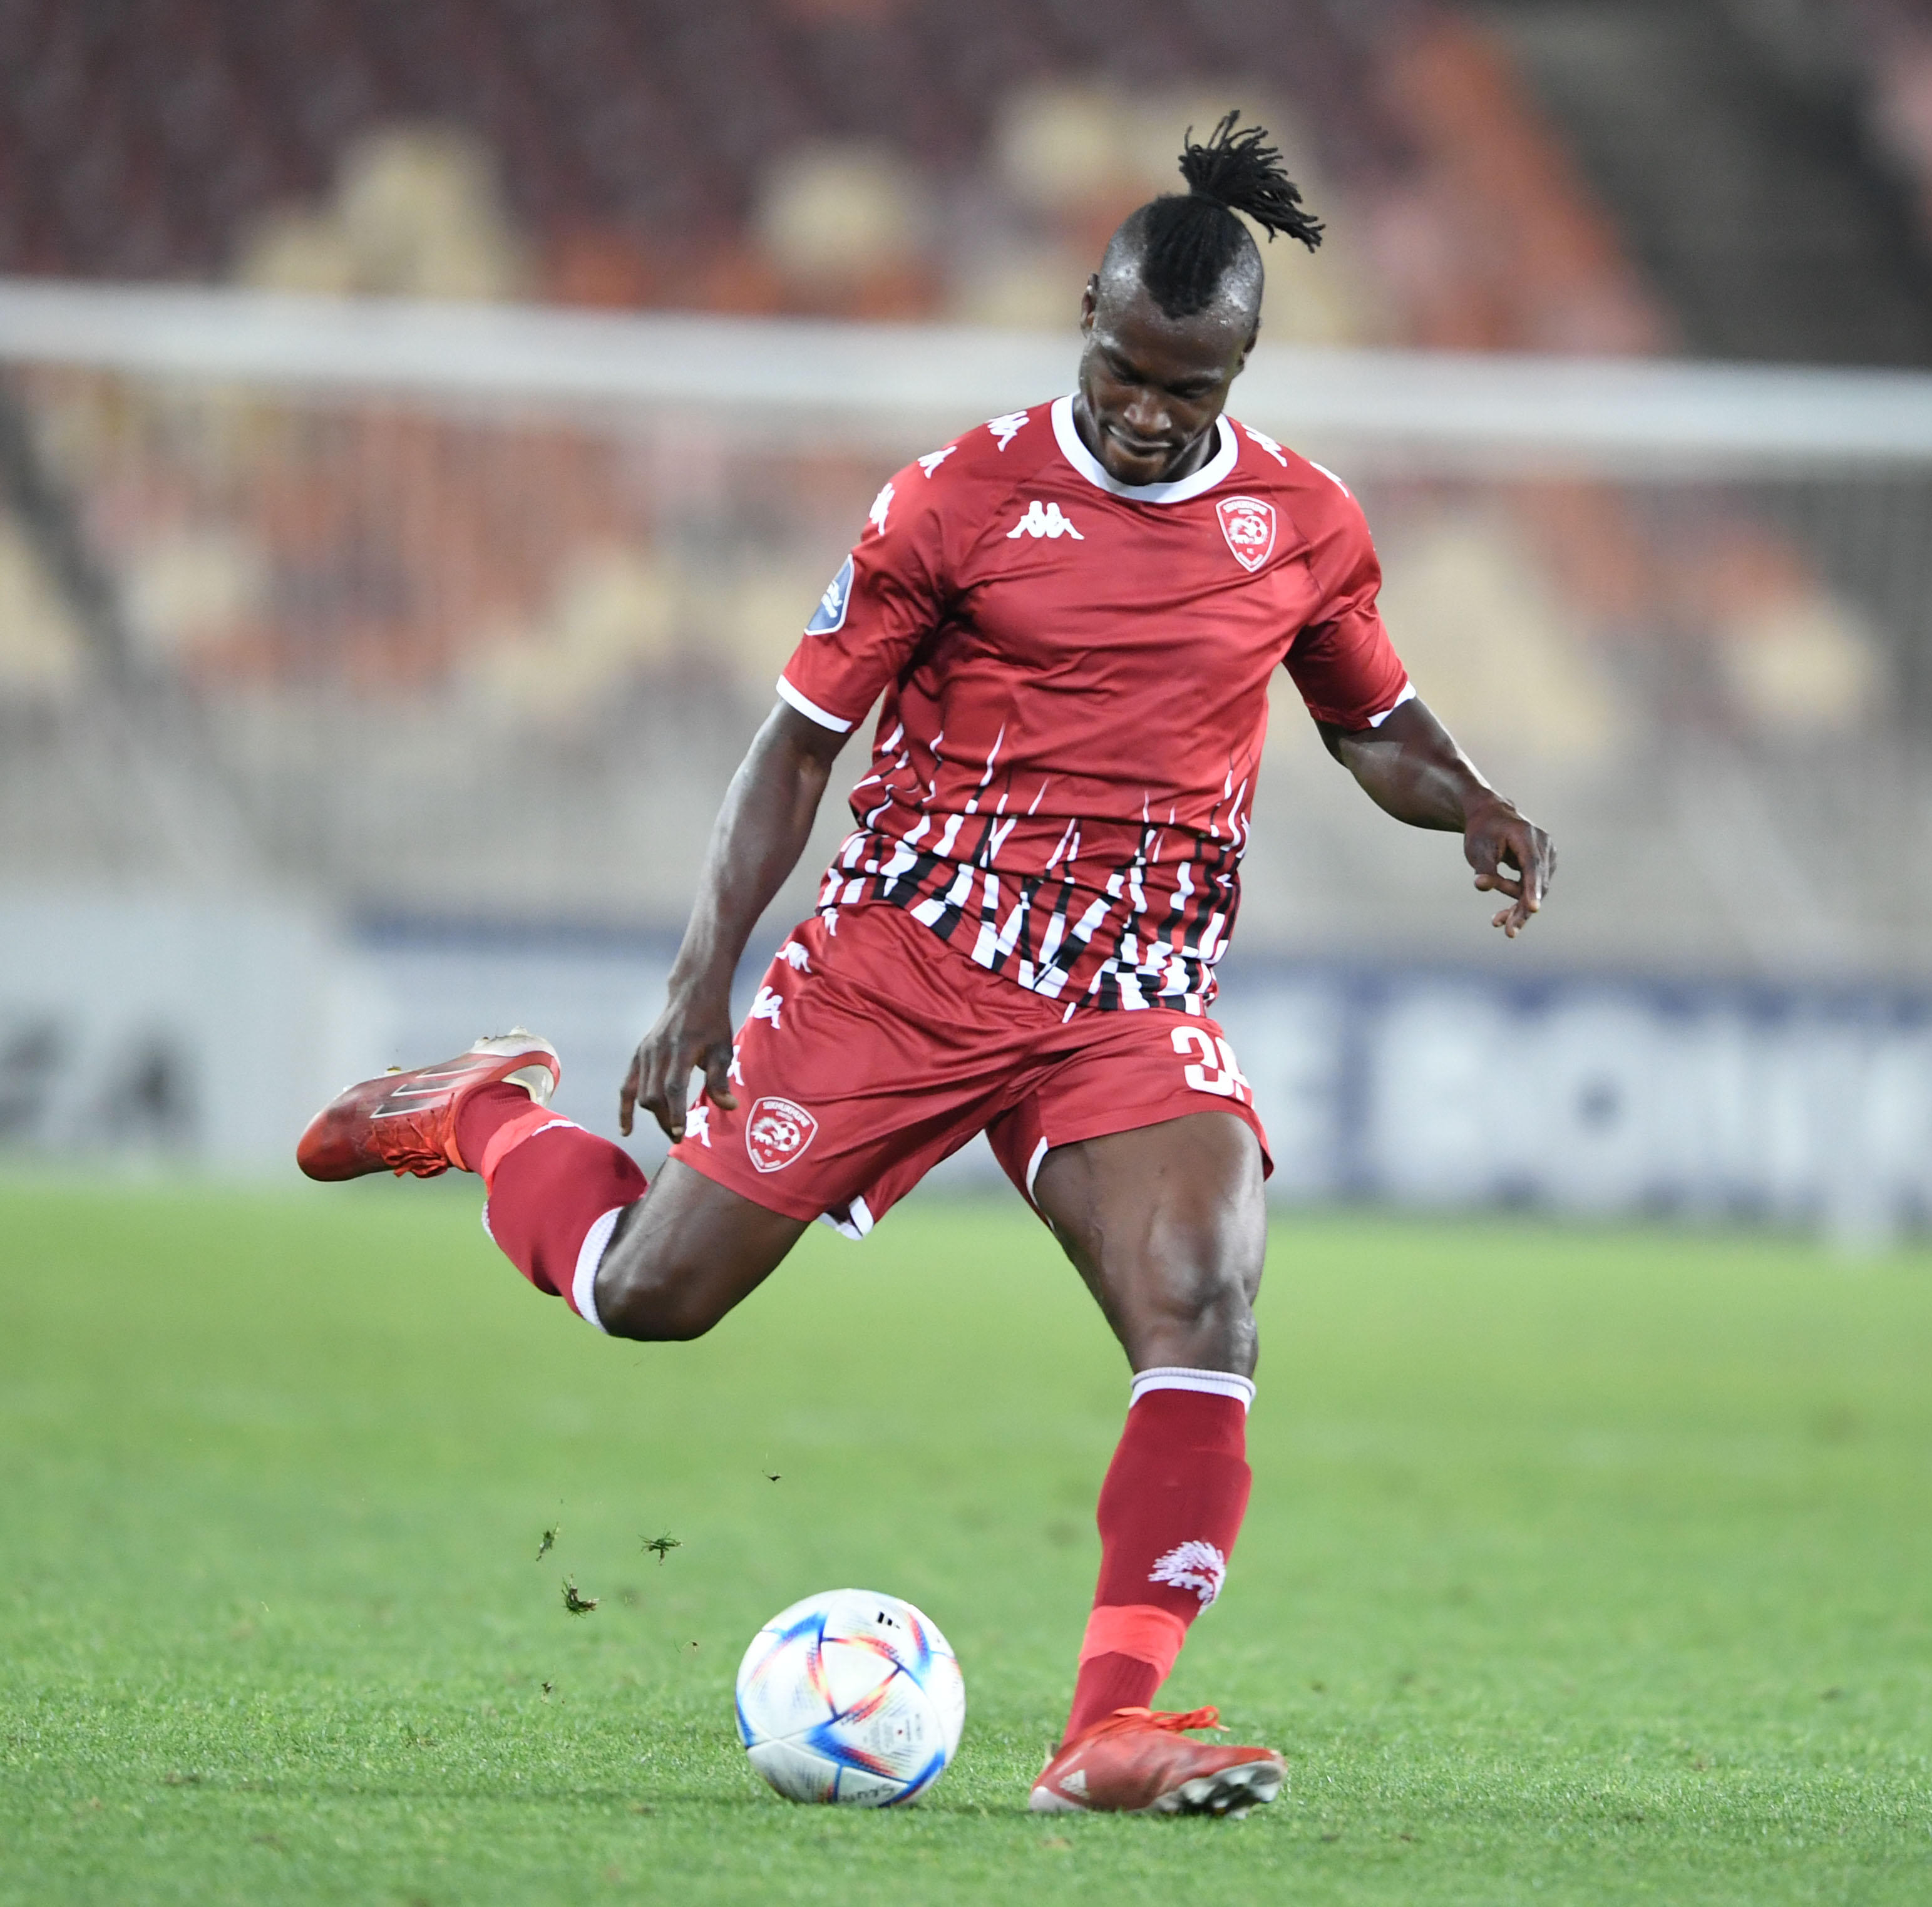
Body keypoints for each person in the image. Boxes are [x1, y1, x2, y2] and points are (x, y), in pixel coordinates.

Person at [298, 114, 1554, 1816]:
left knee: (1208, 1309)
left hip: (1126, 995)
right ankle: (483, 1122)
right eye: (1120, 365)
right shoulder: (958, 500)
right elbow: (795, 746)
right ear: (1085, 317)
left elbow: (1374, 721)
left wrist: (1468, 799)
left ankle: (1109, 1729)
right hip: (906, 961)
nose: (1143, 408)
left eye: (1186, 388)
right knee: (641, 1298)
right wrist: (698, 980)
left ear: (1240, 366)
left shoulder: (1305, 524)